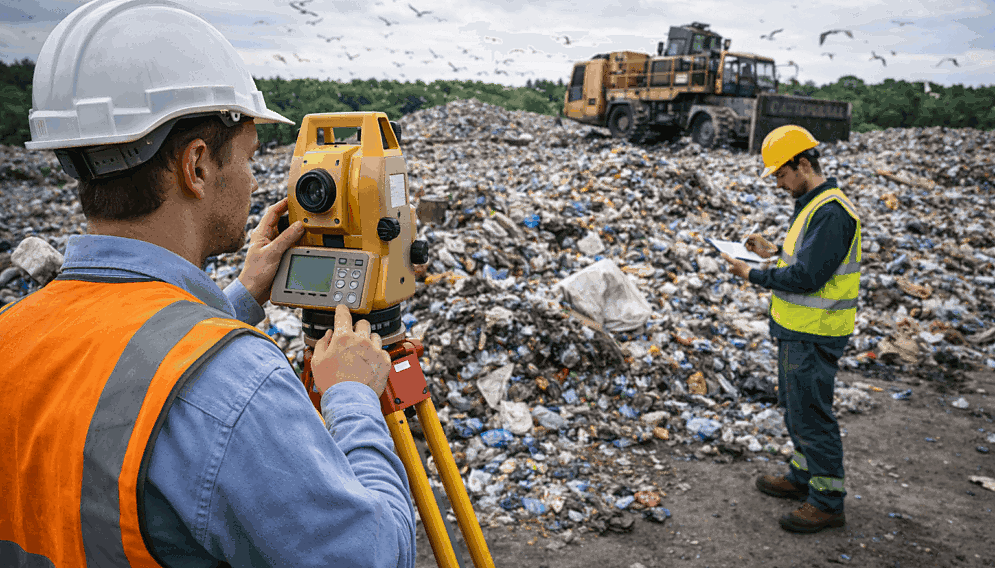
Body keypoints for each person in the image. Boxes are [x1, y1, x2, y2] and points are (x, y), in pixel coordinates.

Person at [0, 1, 416, 566]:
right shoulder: (239, 387)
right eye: (248, 156)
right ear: (197, 167)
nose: (253, 178)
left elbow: (127, 380)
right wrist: (352, 395)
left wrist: (237, 301)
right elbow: (374, 556)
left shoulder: (13, 333)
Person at [720, 124, 861, 534]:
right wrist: (773, 251)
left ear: (803, 164)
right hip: (796, 328)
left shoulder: (832, 211)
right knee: (796, 410)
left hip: (815, 332)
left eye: (781, 174)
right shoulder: (814, 204)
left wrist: (752, 274)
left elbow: (808, 277)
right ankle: (803, 476)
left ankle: (828, 501)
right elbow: (805, 257)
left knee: (813, 415)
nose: (780, 184)